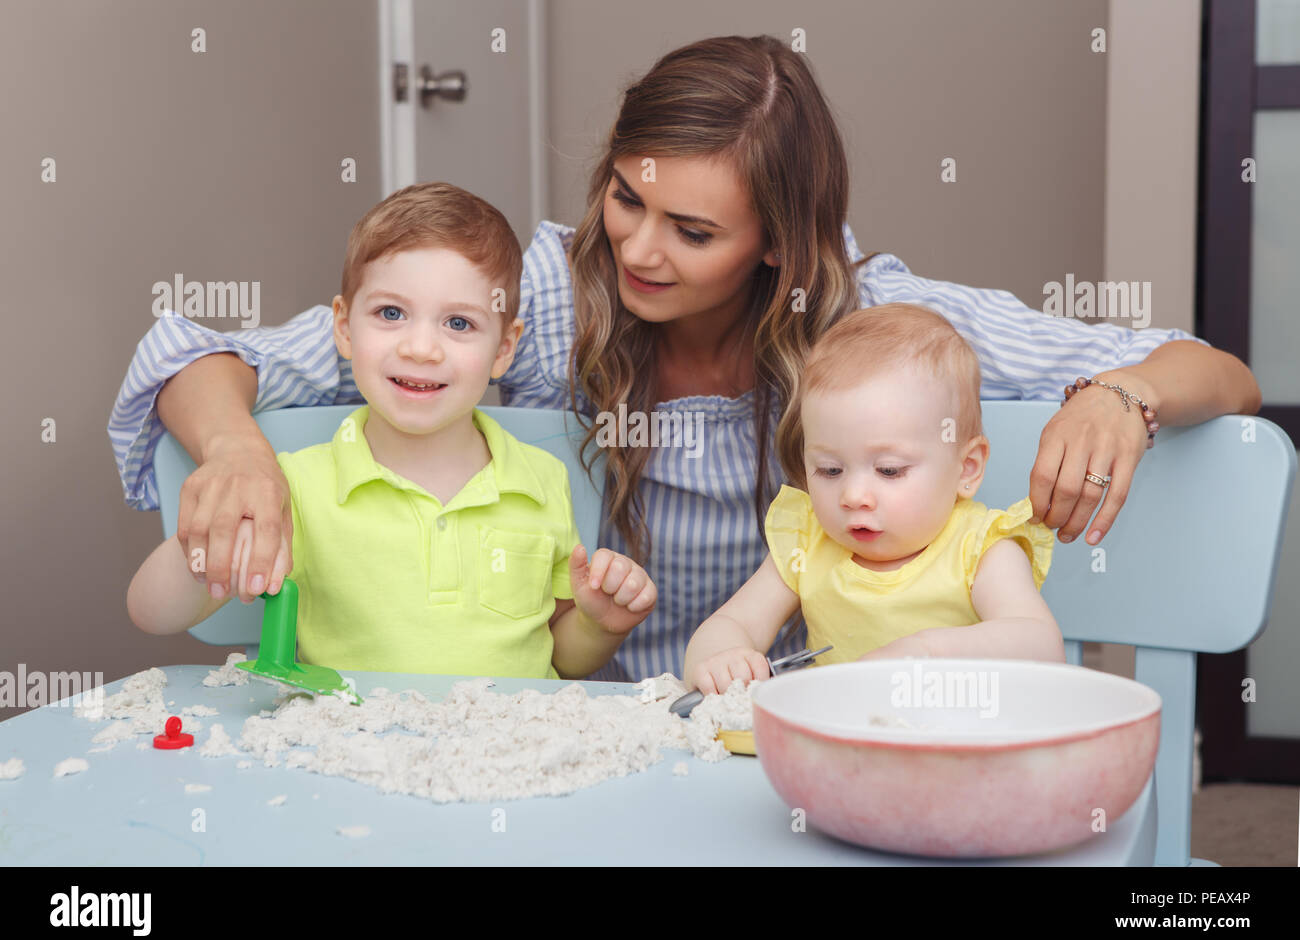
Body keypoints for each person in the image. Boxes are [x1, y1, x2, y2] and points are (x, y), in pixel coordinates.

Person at [109, 35, 1261, 684]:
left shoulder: (869, 316)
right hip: (593, 720)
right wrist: (235, 445)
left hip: (803, 721)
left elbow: (1212, 367)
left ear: (780, 242)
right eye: (625, 198)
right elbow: (205, 352)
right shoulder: (537, 298)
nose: (638, 249)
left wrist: (1123, 395)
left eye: (695, 233)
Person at [126, 183, 656, 679]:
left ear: (504, 349)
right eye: (390, 313)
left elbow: (559, 659)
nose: (420, 348)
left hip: (503, 763)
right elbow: (151, 613)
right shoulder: (292, 487)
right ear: (343, 327)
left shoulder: (544, 480)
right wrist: (210, 549)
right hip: (354, 755)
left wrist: (597, 624)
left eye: (458, 324)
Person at [683, 305, 1063, 694]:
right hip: (839, 745)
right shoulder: (808, 541)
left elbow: (1041, 646)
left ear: (965, 468)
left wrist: (928, 653)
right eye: (830, 470)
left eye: (889, 471)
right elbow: (734, 624)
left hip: (954, 743)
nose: (852, 496)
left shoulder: (981, 548)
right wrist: (723, 658)